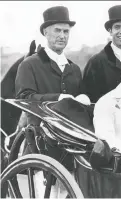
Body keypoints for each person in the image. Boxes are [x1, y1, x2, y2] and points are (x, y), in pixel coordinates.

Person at [14, 6, 89, 198]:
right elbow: (24, 98)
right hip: (40, 144)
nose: (62, 35)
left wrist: (83, 101)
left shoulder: (74, 70)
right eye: (57, 30)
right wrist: (57, 98)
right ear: (45, 32)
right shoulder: (29, 64)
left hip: (71, 148)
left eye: (66, 31)